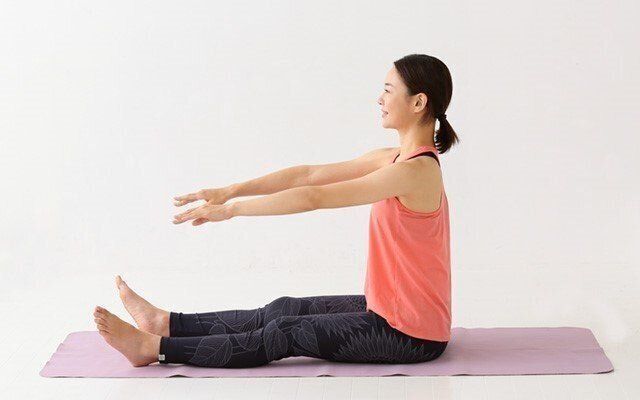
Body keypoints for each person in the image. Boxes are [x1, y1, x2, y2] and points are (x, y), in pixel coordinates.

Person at [93, 53, 460, 368]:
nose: (379, 98)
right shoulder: (392, 158)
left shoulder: (416, 171)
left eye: (388, 90)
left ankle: (153, 348)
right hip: (388, 310)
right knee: (283, 309)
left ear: (418, 103)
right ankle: (166, 323)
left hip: (411, 333)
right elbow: (307, 175)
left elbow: (314, 197)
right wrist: (230, 190)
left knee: (286, 332)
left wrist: (234, 210)